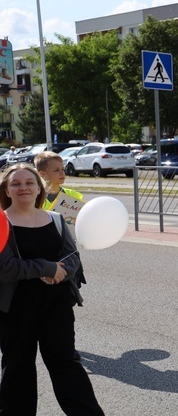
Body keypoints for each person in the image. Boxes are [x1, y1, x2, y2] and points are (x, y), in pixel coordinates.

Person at [0, 163, 108, 416]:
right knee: (18, 360)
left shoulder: (56, 219)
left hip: (57, 300)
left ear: (39, 188)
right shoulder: (2, 223)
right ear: (6, 190)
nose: (23, 187)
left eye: (29, 182)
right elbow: (6, 268)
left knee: (64, 357)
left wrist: (61, 272)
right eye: (15, 183)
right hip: (15, 304)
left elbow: (73, 258)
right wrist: (47, 269)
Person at [34, 151, 86, 361]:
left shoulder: (73, 196)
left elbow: (82, 222)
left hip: (68, 256)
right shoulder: (35, 197)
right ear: (42, 174)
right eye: (56, 170)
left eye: (63, 169)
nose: (62, 173)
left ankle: (67, 346)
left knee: (66, 304)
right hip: (42, 259)